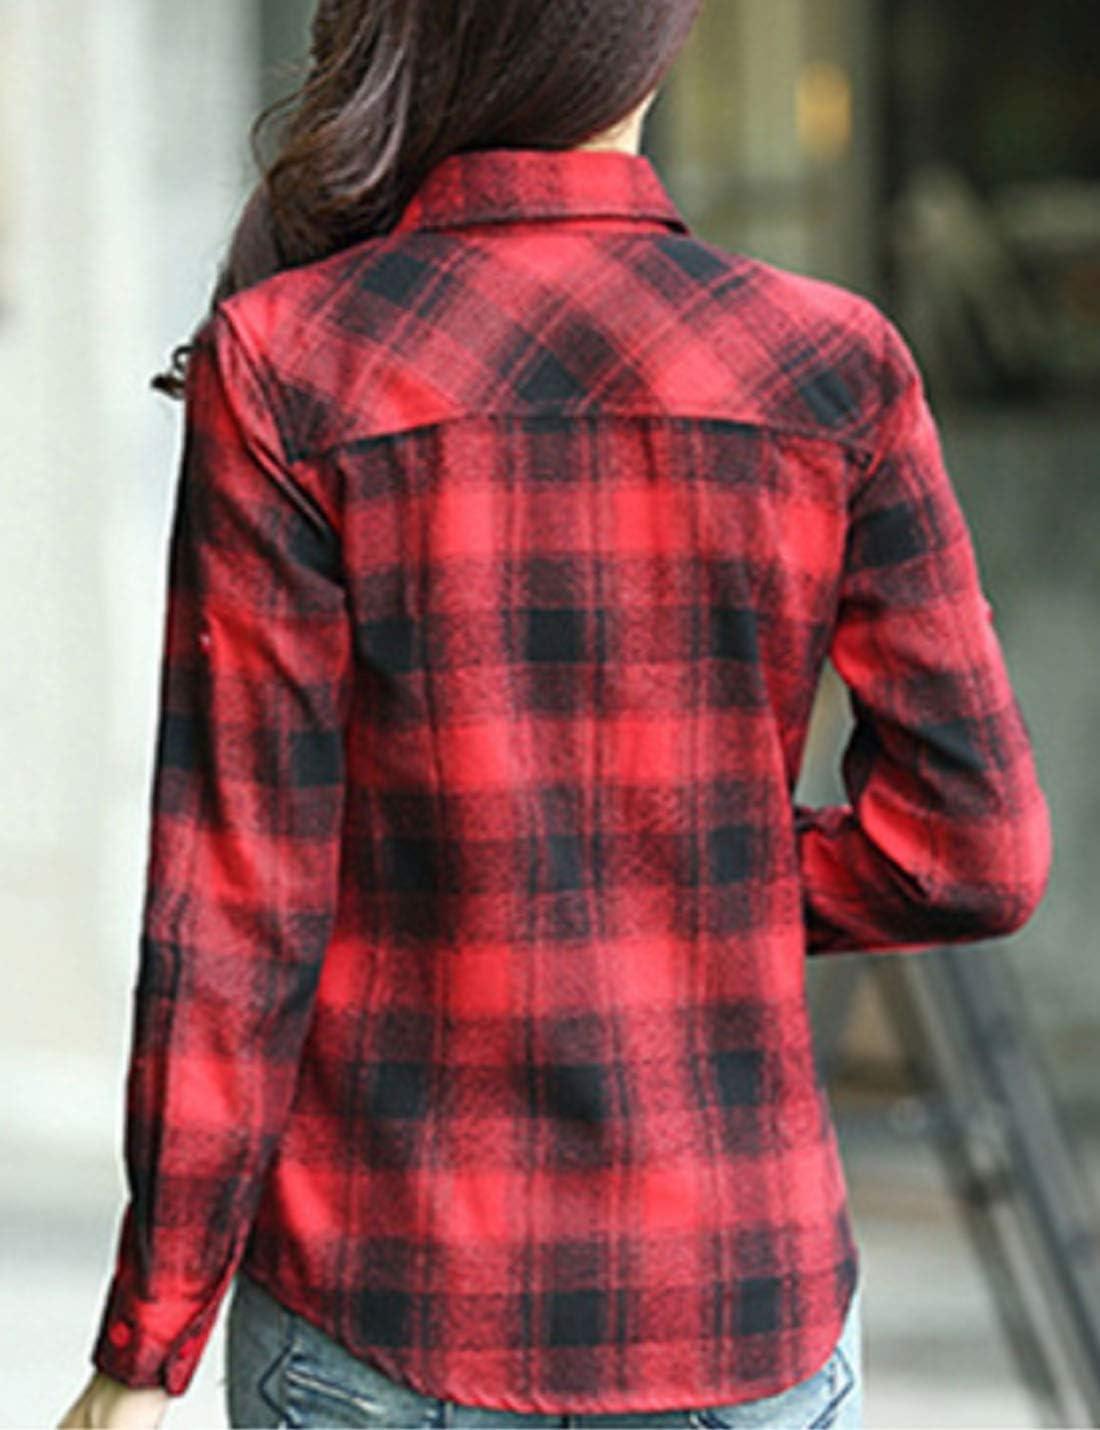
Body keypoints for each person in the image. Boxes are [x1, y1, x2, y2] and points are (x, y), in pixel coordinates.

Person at [58, 1, 1053, 1426]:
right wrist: (689, 872)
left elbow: (236, 910)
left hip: (383, 1303)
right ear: (649, 51)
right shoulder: (832, 364)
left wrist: (145, 1343)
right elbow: (974, 852)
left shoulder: (290, 361)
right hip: (737, 1300)